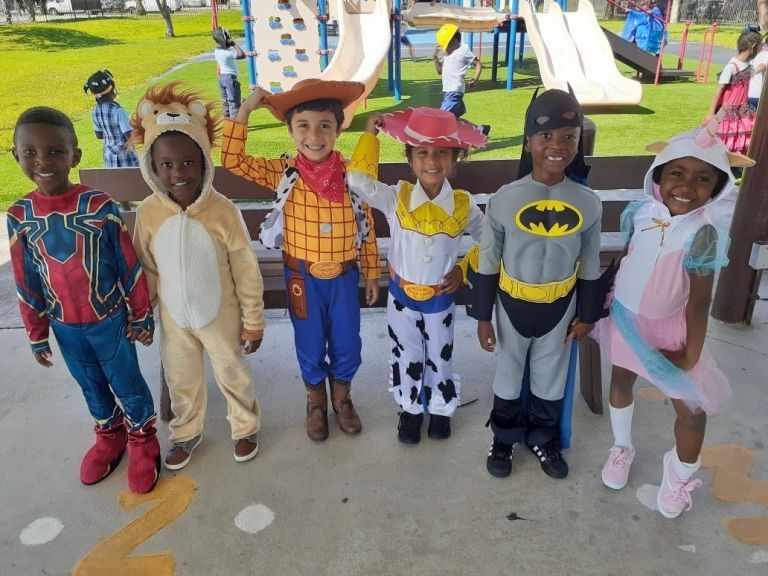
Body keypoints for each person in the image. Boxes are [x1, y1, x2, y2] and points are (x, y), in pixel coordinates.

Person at [599, 115, 754, 518]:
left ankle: (679, 474)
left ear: (717, 187)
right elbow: (629, 256)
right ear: (659, 175)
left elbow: (699, 301)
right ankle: (622, 446)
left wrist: (690, 354)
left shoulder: (702, 234)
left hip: (672, 332)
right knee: (620, 379)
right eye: (677, 173)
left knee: (691, 410)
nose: (685, 187)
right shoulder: (641, 212)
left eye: (703, 179)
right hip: (626, 317)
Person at [8, 106, 159, 494]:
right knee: (89, 383)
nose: (43, 161)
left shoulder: (98, 205)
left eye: (55, 151)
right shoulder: (20, 215)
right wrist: (36, 332)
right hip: (64, 326)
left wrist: (141, 315)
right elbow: (26, 280)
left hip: (109, 319)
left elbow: (129, 264)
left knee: (125, 380)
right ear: (15, 155)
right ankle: (109, 433)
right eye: (30, 152)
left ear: (75, 156)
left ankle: (143, 437)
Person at [221, 79, 380, 442]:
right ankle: (315, 404)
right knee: (309, 343)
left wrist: (372, 273)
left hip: (342, 278)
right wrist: (245, 109)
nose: (314, 136)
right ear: (291, 130)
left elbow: (366, 225)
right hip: (302, 279)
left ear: (339, 129)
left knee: (347, 343)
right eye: (303, 125)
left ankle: (342, 399)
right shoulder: (284, 173)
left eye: (325, 125)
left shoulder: (352, 175)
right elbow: (232, 160)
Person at [129, 83, 265, 470]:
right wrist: (142, 314)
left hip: (220, 316)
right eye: (167, 165)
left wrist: (253, 321)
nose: (178, 173)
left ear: (204, 160)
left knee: (231, 370)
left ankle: (245, 426)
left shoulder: (223, 212)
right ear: (153, 168)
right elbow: (147, 268)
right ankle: (186, 433)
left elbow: (245, 269)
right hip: (175, 320)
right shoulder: (149, 213)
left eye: (188, 162)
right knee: (181, 379)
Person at [473, 89, 603, 480]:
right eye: (546, 135)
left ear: (578, 142)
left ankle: (544, 439)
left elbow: (591, 263)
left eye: (569, 136)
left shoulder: (587, 202)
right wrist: (482, 316)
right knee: (508, 374)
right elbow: (488, 260)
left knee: (551, 376)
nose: (557, 146)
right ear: (528, 140)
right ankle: (504, 438)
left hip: (560, 306)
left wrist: (589, 314)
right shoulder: (504, 200)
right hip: (511, 303)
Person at [347, 107, 487, 444]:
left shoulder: (464, 205)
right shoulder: (397, 197)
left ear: (455, 158)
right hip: (402, 298)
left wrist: (463, 268)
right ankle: (410, 409)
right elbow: (355, 180)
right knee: (405, 353)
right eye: (422, 152)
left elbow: (493, 241)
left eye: (442, 152)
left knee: (440, 353)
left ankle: (440, 408)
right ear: (411, 159)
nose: (432, 161)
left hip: (440, 300)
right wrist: (370, 136)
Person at [704, 31, 762, 155]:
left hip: (743, 109)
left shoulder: (747, 65)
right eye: (760, 46)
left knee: (741, 136)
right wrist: (710, 113)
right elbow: (719, 89)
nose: (760, 49)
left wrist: (762, 66)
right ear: (753, 47)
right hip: (728, 111)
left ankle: (736, 161)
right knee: (726, 137)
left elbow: (750, 73)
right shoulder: (731, 67)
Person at [433, 23, 489, 135]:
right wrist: (435, 58)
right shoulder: (448, 55)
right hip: (448, 92)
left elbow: (478, 64)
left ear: (453, 41)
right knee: (453, 119)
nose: (445, 49)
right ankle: (480, 129)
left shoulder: (463, 51)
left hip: (454, 92)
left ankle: (443, 141)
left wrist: (475, 78)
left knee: (442, 118)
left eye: (446, 45)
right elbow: (440, 71)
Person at [83, 69, 139, 168]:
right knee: (131, 181)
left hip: (109, 156)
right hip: (125, 157)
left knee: (113, 181)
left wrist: (111, 134)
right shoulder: (118, 111)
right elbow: (129, 136)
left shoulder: (95, 111)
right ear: (112, 90)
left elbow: (99, 135)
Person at [213, 26, 247, 119]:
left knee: (226, 102)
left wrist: (219, 77)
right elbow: (243, 55)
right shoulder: (228, 53)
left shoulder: (217, 51)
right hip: (230, 79)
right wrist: (234, 44)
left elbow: (218, 65)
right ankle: (235, 124)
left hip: (222, 78)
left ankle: (227, 123)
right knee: (234, 102)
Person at [747, 34, 768, 110]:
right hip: (757, 95)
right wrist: (752, 72)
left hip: (750, 93)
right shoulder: (766, 54)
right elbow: (763, 65)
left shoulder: (759, 54)